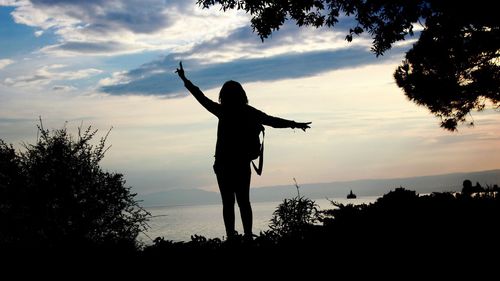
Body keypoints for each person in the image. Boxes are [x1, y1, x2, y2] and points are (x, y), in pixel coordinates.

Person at [175, 62, 311, 241]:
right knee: (244, 202)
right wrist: (295, 124)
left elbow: (200, 96)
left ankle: (231, 237)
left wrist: (185, 79)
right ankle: (248, 236)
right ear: (242, 95)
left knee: (228, 202)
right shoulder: (248, 112)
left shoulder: (222, 111)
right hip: (241, 164)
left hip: (223, 164)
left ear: (223, 95)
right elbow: (272, 121)